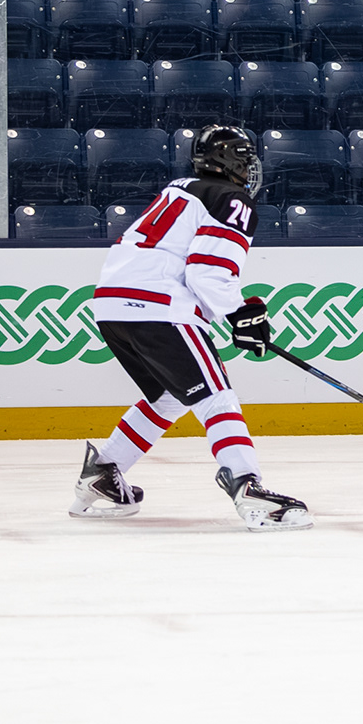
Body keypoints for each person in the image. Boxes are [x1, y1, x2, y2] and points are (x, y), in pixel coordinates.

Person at [69, 124, 311, 531]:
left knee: (169, 396)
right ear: (231, 162)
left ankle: (104, 472)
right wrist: (239, 314)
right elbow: (207, 271)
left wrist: (235, 314)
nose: (250, 169)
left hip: (112, 305)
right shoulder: (232, 200)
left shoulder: (180, 188)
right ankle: (247, 488)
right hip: (158, 307)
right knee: (217, 396)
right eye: (245, 160)